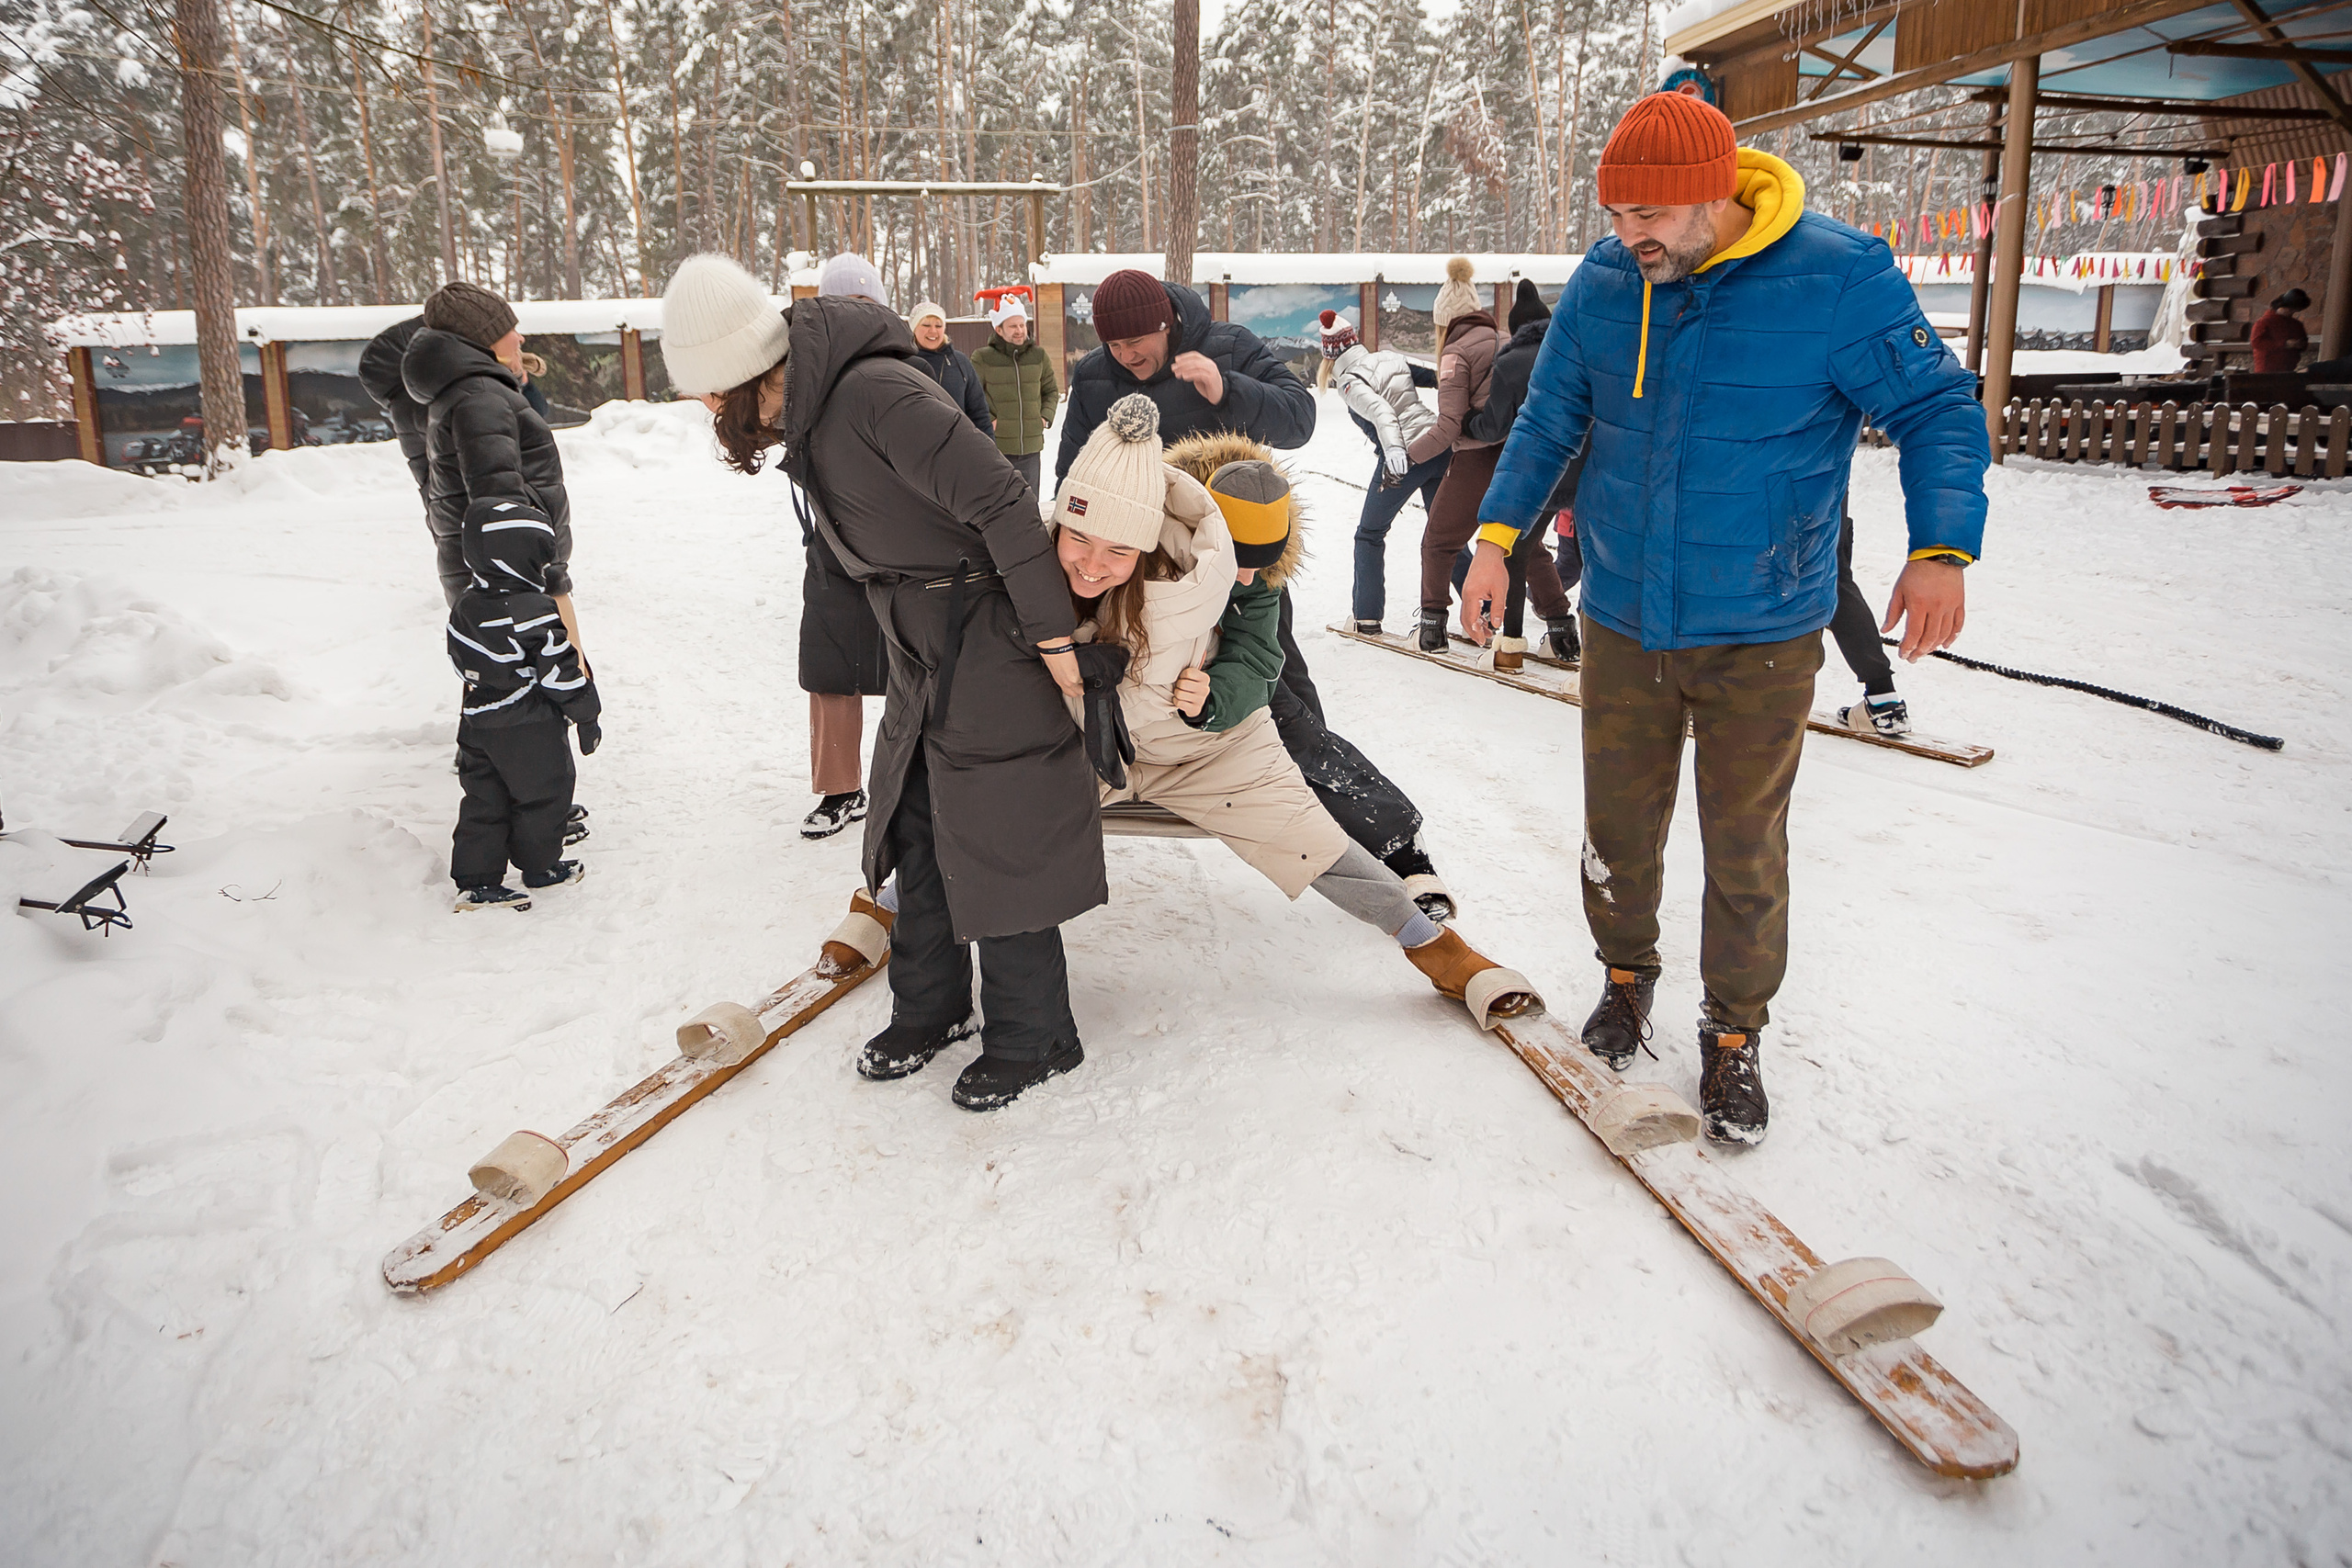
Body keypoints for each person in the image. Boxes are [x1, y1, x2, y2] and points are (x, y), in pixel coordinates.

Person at [1465, 92, 1987, 1146]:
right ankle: (1624, 979)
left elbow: (1936, 409)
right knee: (1617, 827)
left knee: (1743, 842)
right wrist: (1491, 536)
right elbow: (1548, 416)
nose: (1626, 238)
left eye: (1647, 218)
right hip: (1622, 612)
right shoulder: (1612, 282)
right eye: (1614, 217)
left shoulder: (1838, 277)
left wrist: (1940, 549)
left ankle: (1734, 1033)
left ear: (1716, 196)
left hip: (1763, 619)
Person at [659, 253, 1102, 1111]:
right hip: (925, 643)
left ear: (746, 374)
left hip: (990, 635)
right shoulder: (818, 407)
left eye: (712, 396)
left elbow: (1004, 503)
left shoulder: (873, 396)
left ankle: (1037, 1032)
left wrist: (1054, 641)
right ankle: (930, 1008)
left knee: (996, 830)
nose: (710, 413)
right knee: (915, 822)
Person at [1054, 395, 1534, 1019]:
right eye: (1237, 567)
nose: (1246, 581)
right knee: (1005, 814)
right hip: (1101, 742)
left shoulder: (1257, 585)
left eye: (1261, 569)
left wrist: (1214, 701)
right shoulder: (1126, 542)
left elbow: (1260, 659)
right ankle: (896, 903)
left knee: (1305, 809)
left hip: (1209, 745)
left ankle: (1435, 943)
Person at [1067, 268, 1451, 915]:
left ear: (1166, 324)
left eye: (1139, 343)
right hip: (1140, 578)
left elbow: (1300, 416)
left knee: (1282, 709)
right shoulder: (1093, 377)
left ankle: (1388, 850)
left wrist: (1229, 388)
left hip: (1242, 566)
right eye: (1115, 347)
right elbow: (1075, 466)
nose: (1128, 357)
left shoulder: (1226, 344)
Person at [401, 283, 582, 661]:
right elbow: (502, 513)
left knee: (516, 707)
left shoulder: (470, 390)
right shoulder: (480, 397)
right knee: (544, 701)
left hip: (503, 588)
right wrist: (537, 591)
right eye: (507, 328)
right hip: (515, 591)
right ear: (482, 340)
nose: (520, 337)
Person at [445, 499, 599, 911]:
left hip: (477, 720)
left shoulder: (466, 604)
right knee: (543, 796)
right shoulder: (532, 611)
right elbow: (560, 672)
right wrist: (587, 714)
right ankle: (540, 867)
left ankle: (477, 882)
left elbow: (459, 659)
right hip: (527, 725)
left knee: (483, 799)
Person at [792, 254, 897, 840]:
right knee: (832, 666)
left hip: (899, 544)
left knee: (909, 664)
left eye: (867, 307)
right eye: (845, 306)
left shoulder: (904, 364)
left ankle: (906, 778)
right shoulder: (805, 372)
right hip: (831, 545)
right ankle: (839, 788)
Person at [1458, 277, 1580, 666]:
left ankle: (1510, 643)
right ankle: (1577, 639)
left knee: (1517, 553)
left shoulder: (1509, 363)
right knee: (1598, 560)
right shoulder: (1573, 353)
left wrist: (1466, 425)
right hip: (1587, 473)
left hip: (1540, 471)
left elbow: (1495, 426)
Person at [1317, 308, 1450, 636]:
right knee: (1445, 534)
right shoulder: (1390, 358)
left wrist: (1394, 452)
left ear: (1329, 355)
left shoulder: (1349, 381)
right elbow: (1436, 375)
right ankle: (1486, 612)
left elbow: (1382, 411)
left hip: (1405, 457)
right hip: (1439, 445)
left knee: (1369, 535)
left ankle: (1367, 616)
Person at [1405, 257, 1506, 654]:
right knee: (1519, 546)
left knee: (1439, 542)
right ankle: (1561, 627)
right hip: (1517, 458)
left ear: (1444, 320)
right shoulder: (1506, 339)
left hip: (1474, 461)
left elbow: (1449, 426)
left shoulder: (1455, 352)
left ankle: (1433, 626)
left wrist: (1407, 457)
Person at [972, 288, 1059, 500]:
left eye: (1022, 325)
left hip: (1031, 447)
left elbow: (1051, 391)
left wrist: (1044, 417)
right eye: (1013, 326)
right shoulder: (982, 358)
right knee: (1000, 503)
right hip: (998, 447)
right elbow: (973, 396)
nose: (1019, 330)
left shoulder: (1039, 356)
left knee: (1030, 502)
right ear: (999, 329)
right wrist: (990, 421)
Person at [908, 301, 995, 437]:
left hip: (956, 446)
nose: (933, 331)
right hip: (914, 447)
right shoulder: (903, 362)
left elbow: (978, 412)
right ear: (913, 328)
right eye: (926, 325)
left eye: (938, 325)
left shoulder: (960, 362)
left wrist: (990, 449)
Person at [2250, 288, 2310, 374]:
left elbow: (2304, 343)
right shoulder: (2264, 322)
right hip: (2267, 369)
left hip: (2289, 368)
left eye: (2295, 311)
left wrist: (2299, 344)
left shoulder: (2297, 324)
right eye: (2291, 309)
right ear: (2283, 306)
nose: (2292, 313)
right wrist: (2284, 344)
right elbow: (2256, 342)